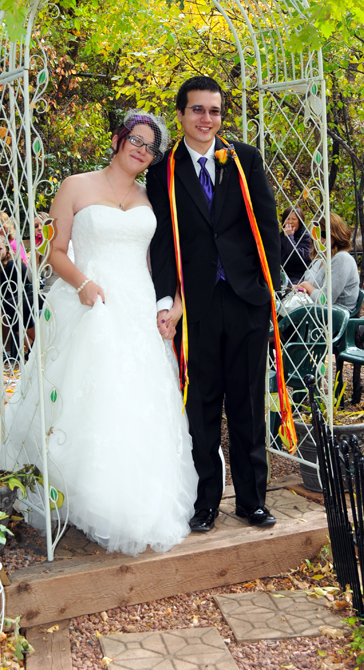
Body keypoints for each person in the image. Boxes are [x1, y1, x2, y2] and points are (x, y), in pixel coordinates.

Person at [0, 110, 197, 556]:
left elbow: (165, 263)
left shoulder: (153, 199)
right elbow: (53, 252)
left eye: (150, 146)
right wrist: (83, 284)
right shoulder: (75, 185)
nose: (141, 149)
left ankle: (131, 497)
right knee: (90, 398)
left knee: (140, 401)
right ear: (118, 138)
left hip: (138, 307)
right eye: (135, 139)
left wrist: (175, 306)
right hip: (89, 302)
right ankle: (81, 492)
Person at [146, 77, 281, 534]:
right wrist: (167, 299)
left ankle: (251, 500)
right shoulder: (162, 171)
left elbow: (267, 223)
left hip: (245, 300)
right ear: (181, 115)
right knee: (200, 408)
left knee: (246, 402)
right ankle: (205, 502)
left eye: (215, 111)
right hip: (195, 304)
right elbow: (163, 240)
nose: (207, 119)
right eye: (198, 110)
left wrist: (270, 289)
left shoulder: (244, 159)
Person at [299, 212, 360, 313]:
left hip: (333, 319)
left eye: (323, 234)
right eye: (315, 234)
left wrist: (306, 286)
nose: (318, 239)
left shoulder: (342, 259)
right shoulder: (321, 259)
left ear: (336, 234)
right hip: (314, 313)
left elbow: (326, 300)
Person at [280, 207, 311, 284]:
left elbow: (296, 257)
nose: (290, 222)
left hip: (298, 278)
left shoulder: (307, 237)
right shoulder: (280, 236)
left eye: (294, 219)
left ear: (300, 221)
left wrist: (289, 237)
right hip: (279, 276)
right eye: (287, 219)